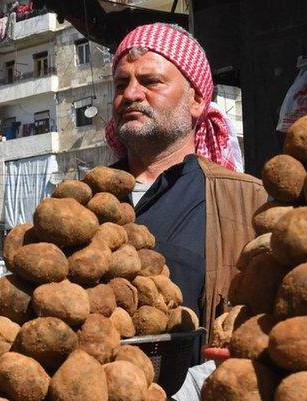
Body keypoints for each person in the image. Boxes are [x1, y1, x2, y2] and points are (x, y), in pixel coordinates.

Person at [106, 23, 266, 339]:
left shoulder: (248, 203)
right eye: (120, 83)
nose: (131, 93)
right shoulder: (84, 200)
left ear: (195, 99)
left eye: (150, 81)